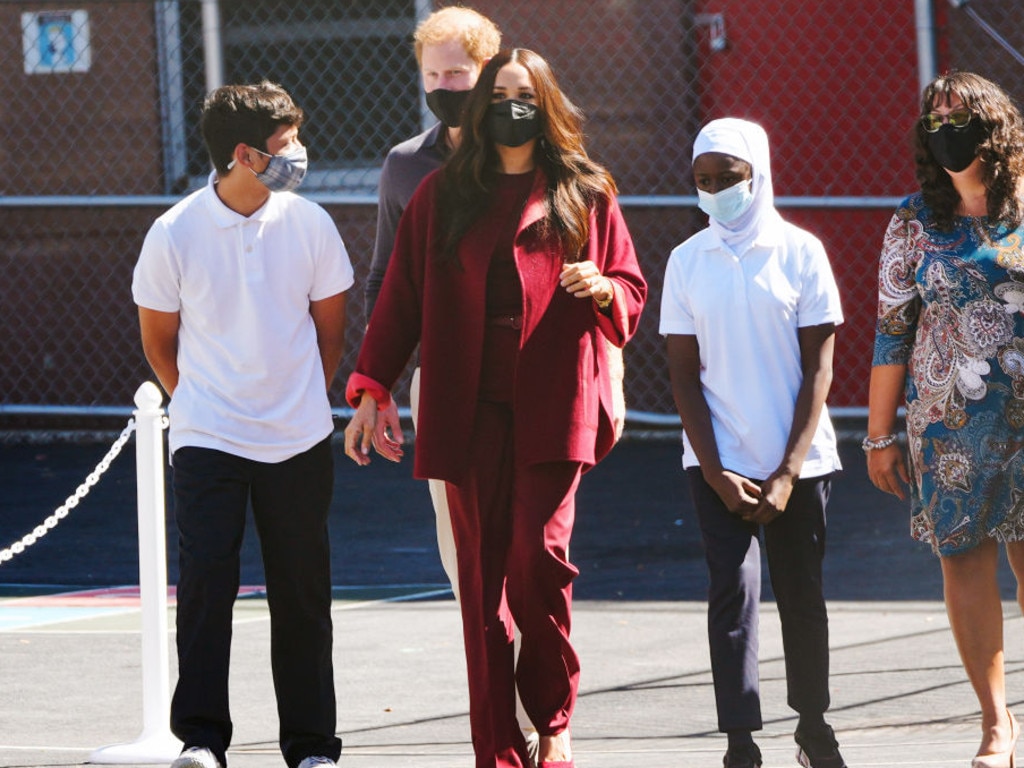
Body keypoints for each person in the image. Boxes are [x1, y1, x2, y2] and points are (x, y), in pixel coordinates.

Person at [343, 48, 647, 768]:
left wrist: (601, 288)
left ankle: (553, 717)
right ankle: (497, 748)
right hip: (466, 404)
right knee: (479, 581)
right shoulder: (444, 194)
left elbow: (630, 288)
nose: (513, 105)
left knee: (536, 559)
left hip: (555, 399)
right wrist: (372, 388)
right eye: (500, 93)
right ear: (482, 109)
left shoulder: (586, 190)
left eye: (526, 94)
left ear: (547, 106)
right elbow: (400, 301)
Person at [132, 82, 353, 768]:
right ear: (244, 155)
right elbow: (159, 343)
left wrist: (291, 403)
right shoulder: (174, 232)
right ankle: (201, 740)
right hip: (207, 440)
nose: (299, 155)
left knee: (302, 593)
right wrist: (205, 403)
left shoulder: (311, 224)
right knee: (204, 588)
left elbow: (331, 335)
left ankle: (313, 746)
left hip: (298, 440)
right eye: (285, 144)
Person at [660, 118, 847, 768]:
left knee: (802, 593)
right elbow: (683, 378)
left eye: (728, 178)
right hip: (718, 462)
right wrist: (714, 472)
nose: (715, 192)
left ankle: (813, 728)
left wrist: (790, 471)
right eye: (703, 181)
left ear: (757, 174)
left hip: (799, 462)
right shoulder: (686, 262)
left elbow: (819, 369)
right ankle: (740, 739)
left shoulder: (801, 251)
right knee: (731, 595)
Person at [867, 71, 1024, 768]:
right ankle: (996, 724)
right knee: (963, 560)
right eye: (934, 121)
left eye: (960, 116)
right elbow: (891, 332)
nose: (946, 129)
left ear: (996, 128)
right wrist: (877, 437)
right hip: (948, 425)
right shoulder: (912, 221)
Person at [366, 4, 502, 603]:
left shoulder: (528, 155)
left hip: (523, 373)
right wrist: (379, 385)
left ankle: (539, 693)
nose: (444, 88)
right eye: (433, 76)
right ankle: (498, 685)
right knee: (462, 550)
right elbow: (386, 282)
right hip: (441, 380)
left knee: (533, 547)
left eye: (457, 74)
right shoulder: (404, 165)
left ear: (489, 70)